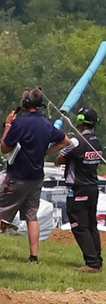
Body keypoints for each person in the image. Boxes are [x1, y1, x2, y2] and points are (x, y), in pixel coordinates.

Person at [0, 88, 59, 263]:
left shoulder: (20, 124)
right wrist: (46, 152)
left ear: (25, 104)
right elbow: (65, 141)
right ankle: (34, 257)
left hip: (17, 176)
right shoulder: (47, 124)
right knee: (31, 216)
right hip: (36, 178)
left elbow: (4, 148)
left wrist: (8, 124)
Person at [61, 106, 102, 275]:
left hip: (78, 189)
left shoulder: (76, 142)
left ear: (79, 122)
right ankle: (97, 261)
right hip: (93, 188)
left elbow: (59, 158)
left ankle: (92, 263)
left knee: (79, 226)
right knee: (92, 225)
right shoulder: (97, 142)